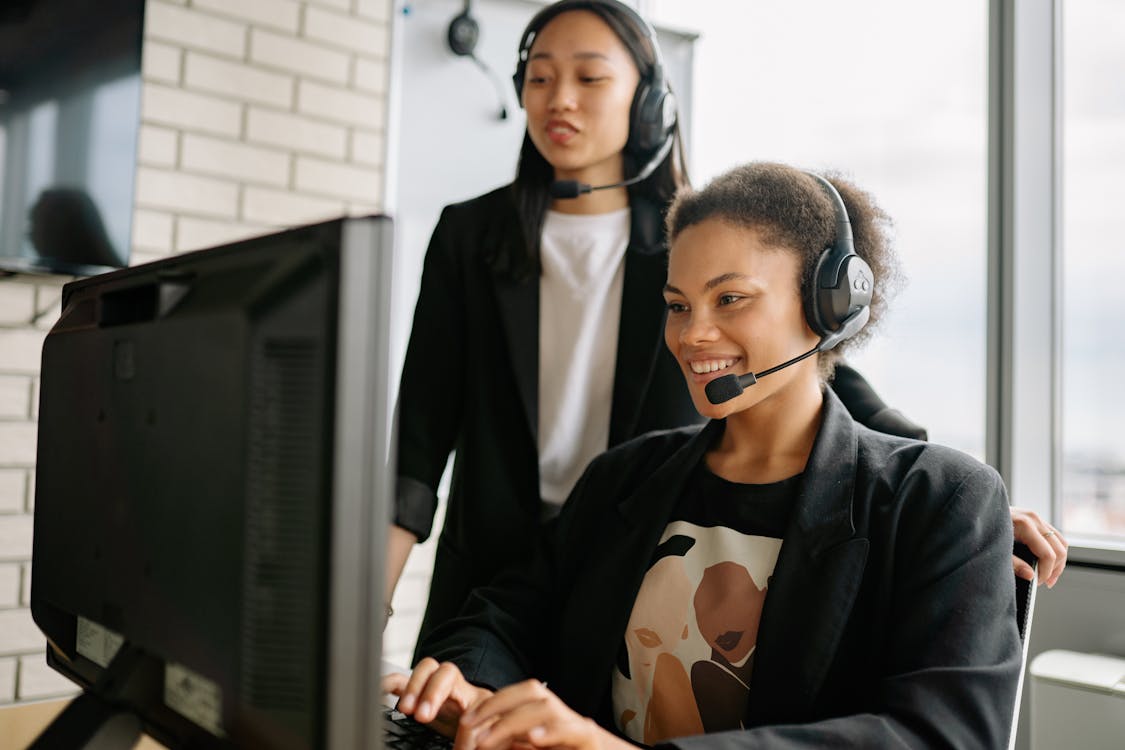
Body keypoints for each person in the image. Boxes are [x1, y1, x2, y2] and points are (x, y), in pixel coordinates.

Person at [387, 0, 1066, 651]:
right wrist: (370, 601)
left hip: (633, 555)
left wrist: (942, 508)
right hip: (493, 574)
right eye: (538, 78)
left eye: (589, 76)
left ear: (651, 101)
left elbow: (808, 362)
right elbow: (419, 434)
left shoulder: (692, 238)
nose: (558, 99)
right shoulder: (469, 234)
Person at [384, 162, 1023, 748]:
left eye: (730, 299)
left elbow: (946, 735)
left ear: (829, 306)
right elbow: (501, 616)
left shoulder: (940, 499)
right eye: (677, 305)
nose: (692, 334)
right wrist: (468, 684)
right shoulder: (625, 478)